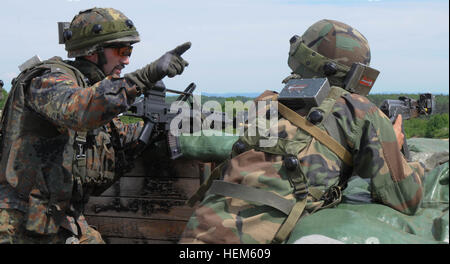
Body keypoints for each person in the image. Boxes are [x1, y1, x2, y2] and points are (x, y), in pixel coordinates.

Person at [179, 19, 425, 244]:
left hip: (197, 234)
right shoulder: (358, 109)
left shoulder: (264, 102)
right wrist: (395, 145)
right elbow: (406, 199)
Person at [0, 7, 190, 244]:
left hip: (59, 219)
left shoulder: (88, 86)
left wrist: (171, 124)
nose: (127, 59)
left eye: (129, 50)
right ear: (93, 52)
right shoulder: (47, 79)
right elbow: (80, 110)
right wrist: (145, 76)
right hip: (20, 224)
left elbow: (112, 134)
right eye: (122, 50)